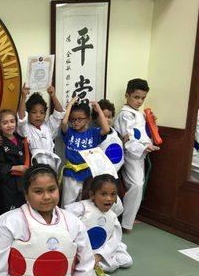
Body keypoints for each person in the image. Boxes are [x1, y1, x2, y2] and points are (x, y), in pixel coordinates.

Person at [65, 174, 132, 276]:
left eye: (113, 194)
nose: (109, 199)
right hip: (75, 250)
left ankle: (99, 265)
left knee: (125, 260)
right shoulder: (81, 208)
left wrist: (99, 256)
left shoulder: (113, 217)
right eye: (103, 194)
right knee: (79, 272)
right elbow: (64, 222)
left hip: (97, 252)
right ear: (92, 195)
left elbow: (114, 239)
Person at [113, 78, 160, 232]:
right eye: (136, 97)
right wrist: (143, 148)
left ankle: (127, 219)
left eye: (143, 98)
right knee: (137, 185)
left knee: (138, 185)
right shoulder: (125, 115)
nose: (140, 101)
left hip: (141, 154)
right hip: (130, 154)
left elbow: (144, 135)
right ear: (127, 95)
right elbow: (129, 139)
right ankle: (125, 222)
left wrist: (152, 125)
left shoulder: (140, 114)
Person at [60, 97, 110, 206]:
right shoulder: (69, 132)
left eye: (80, 119)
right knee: (67, 204)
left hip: (88, 173)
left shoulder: (93, 133)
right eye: (73, 119)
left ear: (88, 119)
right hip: (70, 173)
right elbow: (64, 122)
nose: (76, 122)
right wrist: (71, 104)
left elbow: (106, 129)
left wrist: (99, 110)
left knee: (85, 203)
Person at [17, 85, 65, 171]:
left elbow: (59, 113)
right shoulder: (26, 128)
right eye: (34, 112)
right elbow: (21, 118)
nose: (38, 115)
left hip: (51, 166)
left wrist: (53, 96)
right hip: (35, 167)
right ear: (28, 113)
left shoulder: (48, 127)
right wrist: (23, 97)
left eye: (42, 112)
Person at [0, 109, 28, 218]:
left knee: (23, 212)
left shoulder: (22, 139)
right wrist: (15, 167)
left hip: (22, 182)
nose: (9, 125)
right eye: (5, 123)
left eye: (12, 121)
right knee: (9, 214)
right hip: (7, 184)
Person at [93, 99, 125, 173]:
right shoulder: (94, 133)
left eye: (109, 117)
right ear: (95, 118)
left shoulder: (115, 133)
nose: (107, 120)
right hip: (101, 173)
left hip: (116, 171)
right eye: (103, 117)